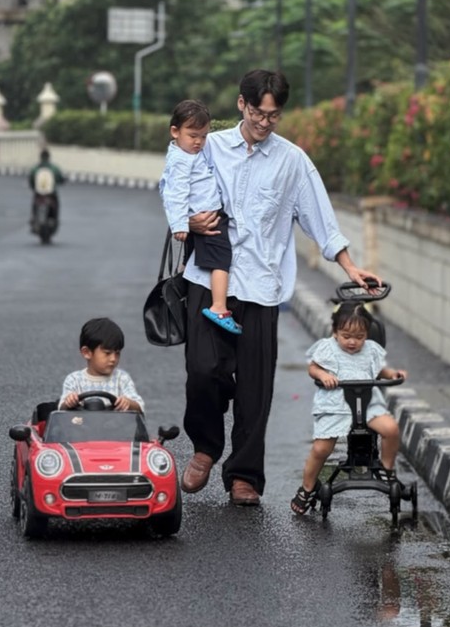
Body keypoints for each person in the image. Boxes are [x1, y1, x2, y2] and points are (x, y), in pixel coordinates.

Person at [179, 68, 381, 507]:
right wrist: (188, 220)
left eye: (273, 115)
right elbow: (173, 186)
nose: (265, 122)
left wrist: (349, 267)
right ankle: (206, 447)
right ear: (241, 105)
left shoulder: (292, 161)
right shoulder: (208, 148)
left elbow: (320, 219)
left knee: (255, 387)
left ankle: (244, 474)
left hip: (261, 287)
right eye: (258, 112)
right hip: (207, 278)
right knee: (202, 371)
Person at [290, 301, 407, 515]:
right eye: (346, 336)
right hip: (336, 404)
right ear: (335, 332)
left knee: (390, 429)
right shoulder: (327, 347)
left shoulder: (371, 350)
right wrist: (323, 375)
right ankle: (307, 488)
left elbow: (380, 369)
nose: (352, 342)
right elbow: (313, 368)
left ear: (366, 334)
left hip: (367, 404)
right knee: (321, 449)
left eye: (360, 337)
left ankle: (388, 468)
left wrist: (392, 375)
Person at [159, 99, 239, 334]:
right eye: (193, 135)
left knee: (191, 259)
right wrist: (180, 224)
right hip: (207, 220)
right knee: (222, 259)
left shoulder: (187, 154)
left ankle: (186, 278)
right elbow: (175, 194)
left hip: (202, 216)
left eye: (203, 137)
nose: (199, 142)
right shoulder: (181, 160)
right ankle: (219, 307)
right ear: (175, 131)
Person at [59, 317, 145, 412]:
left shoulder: (122, 379)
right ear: (86, 352)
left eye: (117, 353)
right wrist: (69, 402)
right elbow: (61, 411)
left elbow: (139, 408)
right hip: (82, 425)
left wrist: (128, 403)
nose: (113, 359)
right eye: (107, 353)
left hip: (115, 425)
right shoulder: (74, 380)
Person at [29, 147, 65, 223]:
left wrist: (33, 187)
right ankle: (55, 219)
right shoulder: (54, 168)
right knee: (56, 203)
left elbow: (31, 180)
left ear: (41, 157)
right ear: (48, 157)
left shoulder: (35, 168)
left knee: (34, 202)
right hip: (51, 193)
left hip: (38, 192)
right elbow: (60, 178)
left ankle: (33, 217)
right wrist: (61, 181)